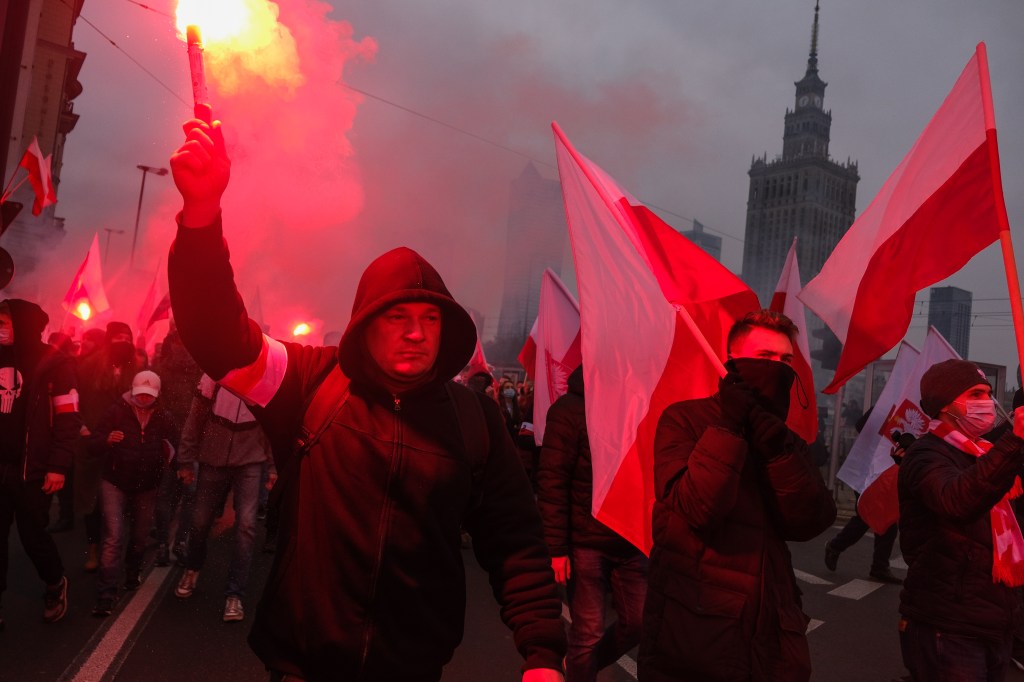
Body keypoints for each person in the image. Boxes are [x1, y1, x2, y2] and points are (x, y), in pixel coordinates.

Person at [167, 108, 566, 681]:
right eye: (397, 316)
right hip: (300, 667)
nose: (415, 332)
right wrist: (201, 213)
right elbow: (215, 332)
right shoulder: (309, 382)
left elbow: (516, 539)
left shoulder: (474, 420)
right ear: (364, 323)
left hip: (414, 671)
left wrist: (543, 655)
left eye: (430, 319)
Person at [638, 309, 836, 681]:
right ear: (732, 362)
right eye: (764, 358)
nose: (777, 368)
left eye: (785, 361)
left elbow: (811, 519)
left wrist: (778, 453)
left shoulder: (785, 437)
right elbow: (698, 508)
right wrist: (728, 428)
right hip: (698, 631)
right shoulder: (684, 420)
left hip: (773, 629)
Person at [898, 359, 1024, 681]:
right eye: (976, 393)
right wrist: (1015, 441)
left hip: (993, 621)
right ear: (946, 404)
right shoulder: (926, 455)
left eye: (989, 393)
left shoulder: (982, 451)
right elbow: (958, 500)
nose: (988, 402)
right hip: (949, 624)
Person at [537, 365, 647, 682]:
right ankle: (581, 670)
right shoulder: (571, 409)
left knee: (638, 623)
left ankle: (579, 669)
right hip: (585, 541)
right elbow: (552, 480)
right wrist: (556, 547)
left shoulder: (640, 404)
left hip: (631, 538)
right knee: (588, 632)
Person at [0, 299, 80, 630]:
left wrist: (58, 467)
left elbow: (68, 419)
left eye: (5, 322)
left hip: (33, 471)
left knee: (33, 537)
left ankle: (54, 583)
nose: (0, 329)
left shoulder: (55, 365)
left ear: (25, 325)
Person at [174, 374, 277, 623]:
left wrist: (273, 467)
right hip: (213, 458)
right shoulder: (214, 375)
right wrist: (185, 459)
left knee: (247, 526)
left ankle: (235, 593)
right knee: (200, 521)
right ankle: (193, 567)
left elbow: (273, 427)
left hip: (250, 460)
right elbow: (195, 418)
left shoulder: (266, 378)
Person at [88, 370, 179, 617]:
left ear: (157, 395)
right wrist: (106, 439)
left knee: (139, 537)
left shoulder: (163, 416)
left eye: (149, 395)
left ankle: (132, 573)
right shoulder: (116, 410)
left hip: (147, 484)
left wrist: (174, 462)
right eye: (140, 394)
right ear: (132, 390)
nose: (144, 399)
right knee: (113, 537)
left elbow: (176, 446)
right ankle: (106, 593)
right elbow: (92, 444)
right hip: (114, 482)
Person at [77, 321, 138, 572]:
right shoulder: (87, 367)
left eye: (127, 337)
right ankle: (93, 549)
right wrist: (81, 427)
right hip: (92, 444)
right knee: (91, 501)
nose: (123, 341)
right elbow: (73, 400)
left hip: (122, 445)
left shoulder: (136, 370)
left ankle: (112, 548)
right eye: (118, 337)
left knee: (117, 500)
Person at [823, 409, 905, 584]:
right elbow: (861, 425)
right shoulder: (887, 403)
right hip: (869, 469)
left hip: (887, 472)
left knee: (886, 520)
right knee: (866, 516)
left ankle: (879, 567)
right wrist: (883, 438)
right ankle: (836, 547)